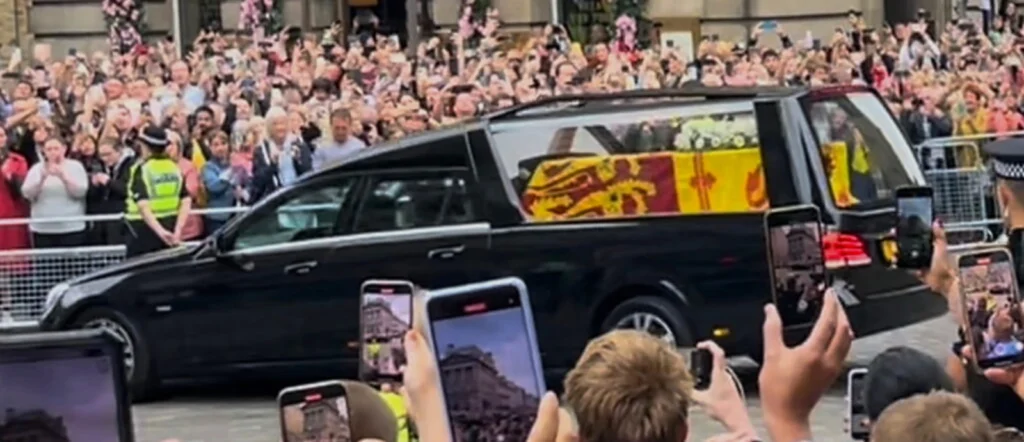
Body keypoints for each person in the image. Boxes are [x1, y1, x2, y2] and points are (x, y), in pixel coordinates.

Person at [124, 126, 191, 258]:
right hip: (170, 227)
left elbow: (142, 205)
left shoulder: (141, 169)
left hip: (142, 231)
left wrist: (160, 232)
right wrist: (177, 230)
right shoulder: (174, 168)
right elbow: (186, 200)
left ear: (145, 146)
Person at [20, 137, 89, 247]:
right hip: (42, 229)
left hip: (71, 228)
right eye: (49, 149)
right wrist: (42, 179)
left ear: (64, 149)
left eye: (56, 148)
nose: (53, 152)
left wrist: (63, 177)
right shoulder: (37, 168)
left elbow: (80, 192)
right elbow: (27, 194)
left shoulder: (75, 166)